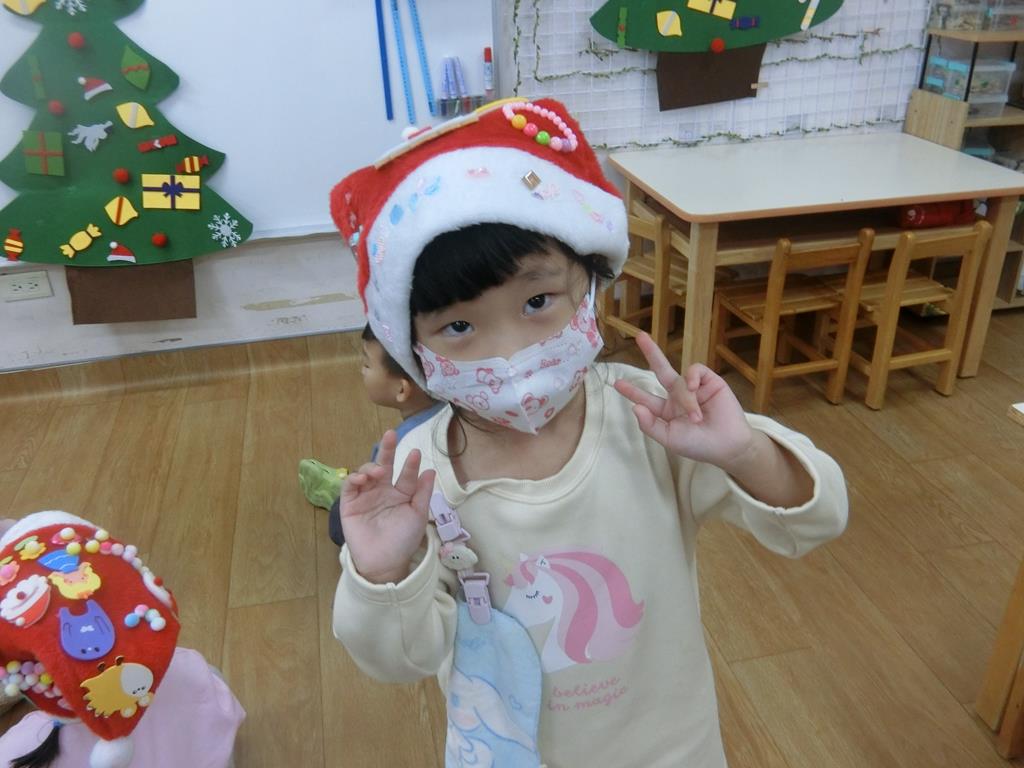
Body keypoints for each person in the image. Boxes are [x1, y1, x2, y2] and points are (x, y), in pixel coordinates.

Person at [328, 98, 848, 767]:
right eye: (458, 326)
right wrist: (381, 574)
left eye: (537, 301)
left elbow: (816, 519)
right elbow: (402, 659)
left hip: (674, 750)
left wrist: (744, 452)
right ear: (413, 349)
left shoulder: (652, 419)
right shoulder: (421, 479)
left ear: (592, 287)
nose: (510, 351)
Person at [298, 323, 441, 546]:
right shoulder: (463, 414)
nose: (362, 370)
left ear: (401, 389)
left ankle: (341, 490)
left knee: (339, 519)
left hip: (411, 537)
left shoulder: (398, 447)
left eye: (367, 364)